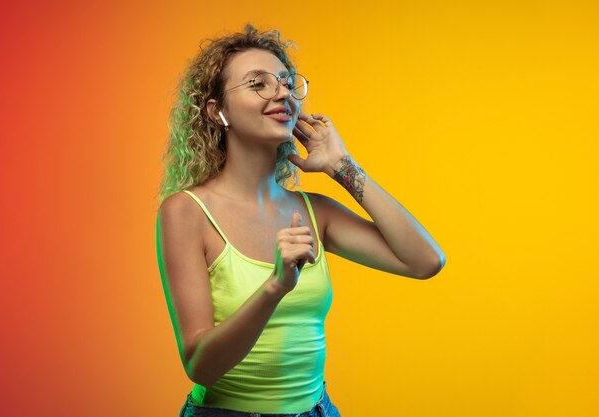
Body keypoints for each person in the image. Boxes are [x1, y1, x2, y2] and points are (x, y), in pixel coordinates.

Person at [155, 25, 445, 417]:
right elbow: (201, 366)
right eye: (258, 84)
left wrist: (343, 167)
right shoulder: (186, 212)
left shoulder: (315, 212)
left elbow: (425, 261)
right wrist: (276, 286)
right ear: (217, 111)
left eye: (287, 83)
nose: (282, 93)